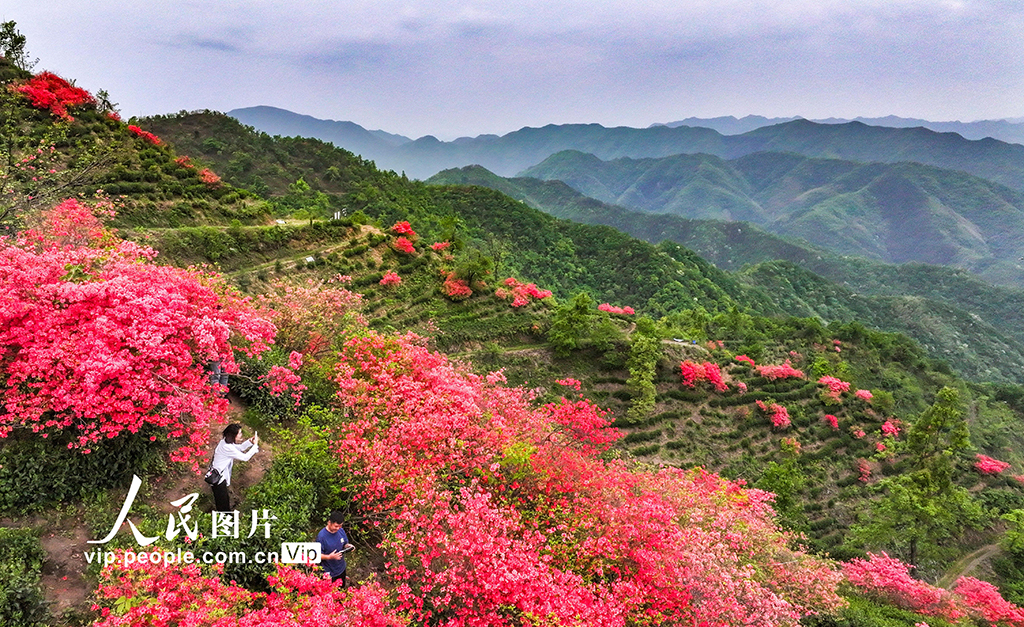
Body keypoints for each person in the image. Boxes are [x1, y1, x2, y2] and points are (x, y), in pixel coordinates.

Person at [210, 423, 259, 512]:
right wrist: (255, 446)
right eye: (239, 433)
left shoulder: (224, 442)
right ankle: (225, 520)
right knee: (223, 504)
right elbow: (245, 458)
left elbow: (239, 448)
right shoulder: (226, 447)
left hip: (219, 477)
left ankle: (224, 518)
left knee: (223, 501)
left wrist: (249, 442)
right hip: (218, 480)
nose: (241, 435)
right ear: (233, 435)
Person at [317, 510, 354, 586]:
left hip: (341, 568)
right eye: (336, 526)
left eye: (340, 526)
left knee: (341, 590)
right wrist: (330, 557)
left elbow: (344, 543)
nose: (338, 528)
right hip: (329, 571)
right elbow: (316, 555)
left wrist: (348, 546)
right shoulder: (321, 536)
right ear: (329, 523)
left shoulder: (341, 530)